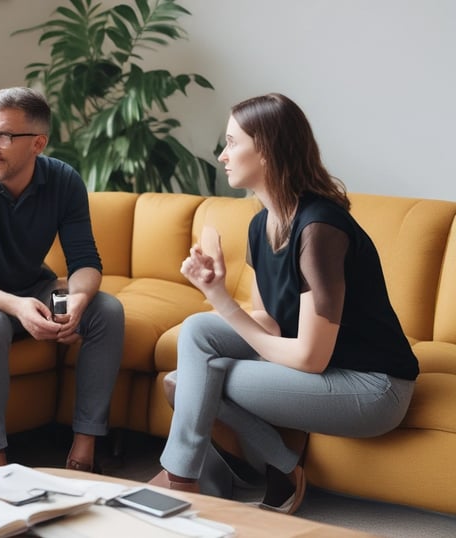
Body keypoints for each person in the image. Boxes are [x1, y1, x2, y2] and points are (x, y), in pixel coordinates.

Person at [149, 93, 419, 514]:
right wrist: (215, 291)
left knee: (192, 383)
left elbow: (311, 357)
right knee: (198, 330)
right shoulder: (262, 224)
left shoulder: (320, 230)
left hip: (371, 387)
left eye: (233, 142)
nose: (222, 155)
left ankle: (181, 479)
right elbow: (269, 324)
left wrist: (221, 302)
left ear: (268, 150)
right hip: (324, 370)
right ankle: (258, 468)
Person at [0, 86, 124, 470]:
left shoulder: (63, 180)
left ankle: (84, 448)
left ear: (38, 143)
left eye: (3, 136)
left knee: (106, 309)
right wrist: (17, 307)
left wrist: (76, 303)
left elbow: (85, 261)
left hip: (33, 289)